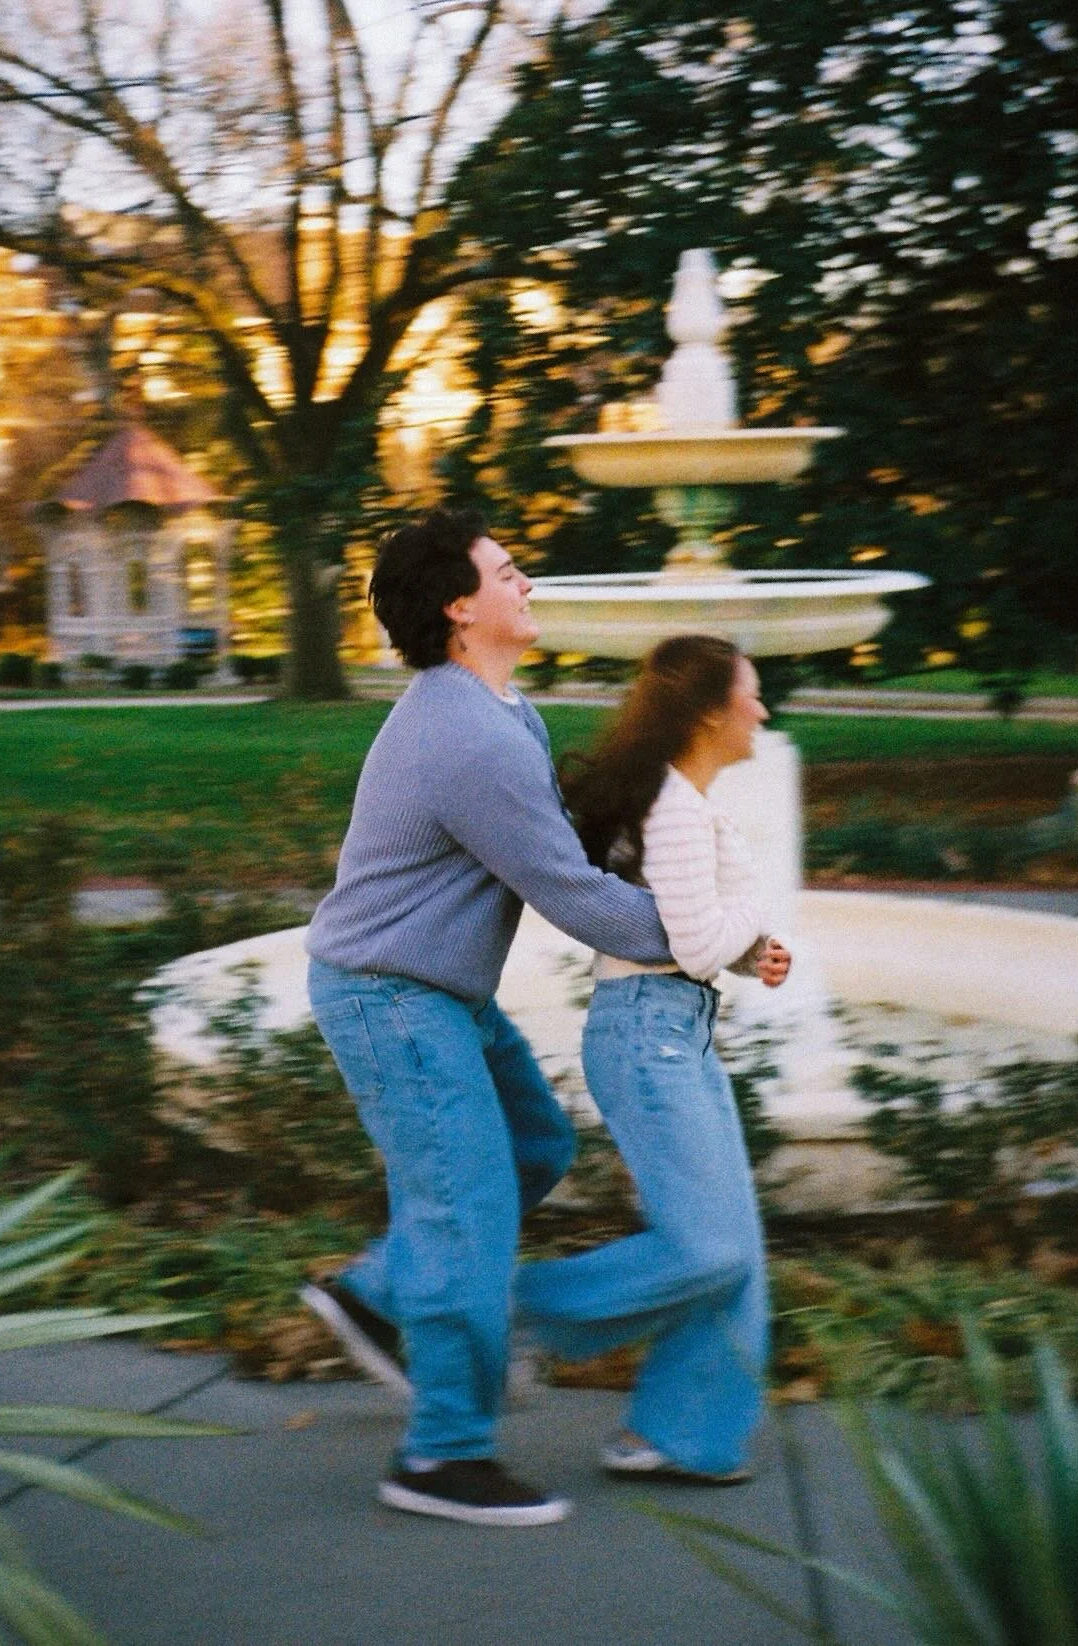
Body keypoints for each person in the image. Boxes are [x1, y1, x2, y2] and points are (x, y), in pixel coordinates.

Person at [301, 506, 674, 1528]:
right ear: (461, 606)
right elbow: (572, 895)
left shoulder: (504, 714)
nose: (527, 584)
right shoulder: (467, 735)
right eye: (508, 572)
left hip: (430, 991)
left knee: (531, 1143)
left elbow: (561, 848)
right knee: (463, 1208)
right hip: (390, 997)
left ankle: (379, 1290)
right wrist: (706, 929)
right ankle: (442, 1456)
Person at [513, 635, 791, 1484]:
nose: (763, 711)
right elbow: (697, 937)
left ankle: (678, 1437)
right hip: (647, 1038)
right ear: (711, 711)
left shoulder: (687, 802)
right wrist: (745, 926)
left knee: (735, 1255)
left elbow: (695, 940)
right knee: (708, 1251)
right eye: (752, 694)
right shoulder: (674, 806)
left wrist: (752, 953)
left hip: (678, 1029)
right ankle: (503, 1316)